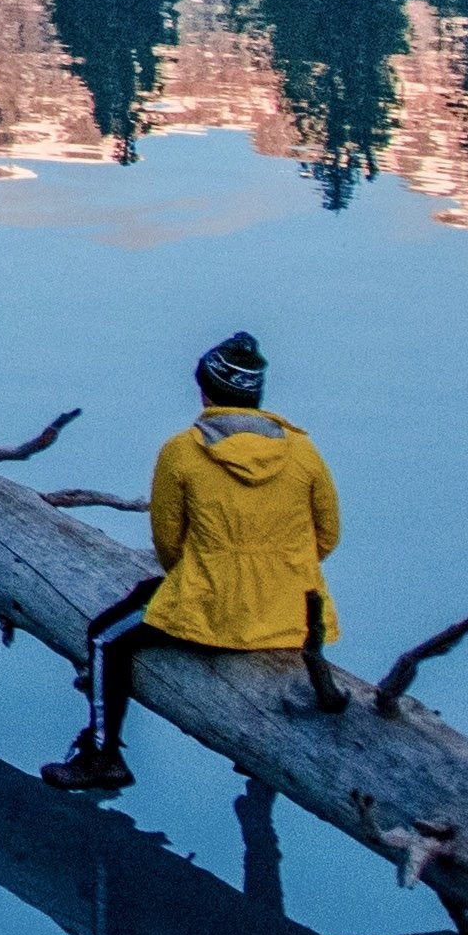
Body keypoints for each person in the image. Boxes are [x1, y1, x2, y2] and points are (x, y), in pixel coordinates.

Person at [44, 331, 343, 792]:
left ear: (205, 391)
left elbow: (169, 546)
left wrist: (217, 575)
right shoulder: (303, 451)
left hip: (215, 617)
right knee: (145, 595)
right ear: (256, 396)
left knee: (105, 638)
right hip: (292, 616)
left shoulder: (182, 451)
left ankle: (102, 756)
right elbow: (327, 538)